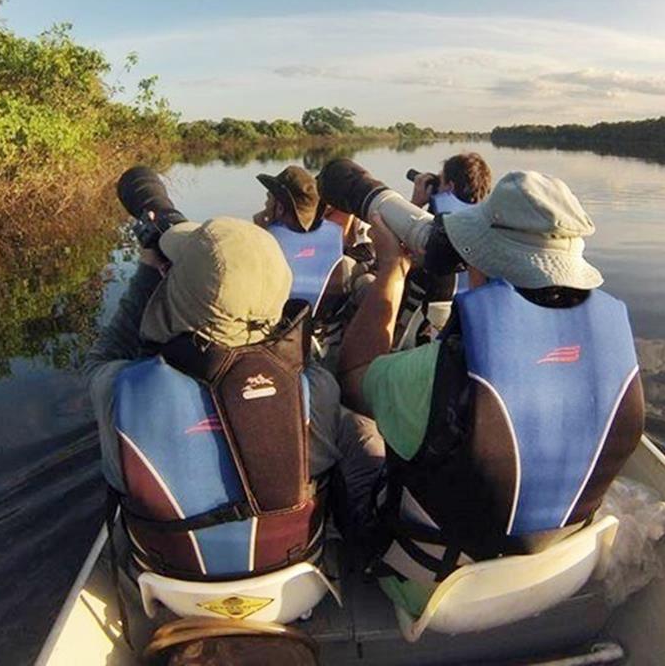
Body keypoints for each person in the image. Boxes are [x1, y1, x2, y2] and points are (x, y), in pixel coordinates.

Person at [337, 170, 645, 619]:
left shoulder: (436, 373)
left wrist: (391, 271)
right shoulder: (616, 353)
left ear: (482, 259)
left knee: (354, 425)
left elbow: (352, 376)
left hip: (442, 592)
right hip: (560, 574)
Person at [84, 213, 383, 646]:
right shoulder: (315, 388)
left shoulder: (116, 389)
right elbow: (293, 367)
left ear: (177, 293)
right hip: (291, 591)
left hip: (173, 590)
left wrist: (149, 275)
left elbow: (106, 353)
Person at [396, 152, 494, 345]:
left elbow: (395, 252)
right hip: (467, 325)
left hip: (427, 324)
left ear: (449, 187)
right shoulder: (487, 228)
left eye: (440, 181)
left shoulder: (436, 235)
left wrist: (415, 203)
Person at [252, 166, 346, 314]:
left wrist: (258, 230)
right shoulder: (335, 231)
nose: (265, 203)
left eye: (269, 198)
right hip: (325, 319)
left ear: (281, 208)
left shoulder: (267, 239)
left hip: (283, 323)